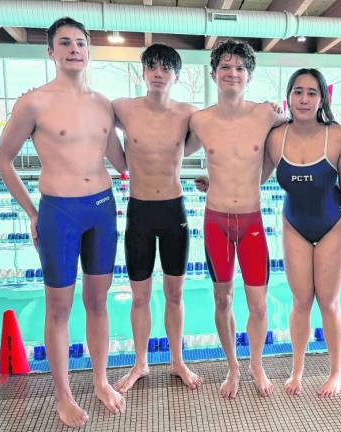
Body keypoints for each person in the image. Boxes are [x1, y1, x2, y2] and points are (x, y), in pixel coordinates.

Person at [0, 17, 127, 428]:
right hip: (60, 212)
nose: (74, 49)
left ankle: (102, 380)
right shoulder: (33, 102)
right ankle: (63, 395)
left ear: (90, 51)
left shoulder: (104, 103)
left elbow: (122, 161)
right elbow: (3, 160)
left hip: (102, 208)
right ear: (50, 51)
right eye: (65, 43)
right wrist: (33, 212)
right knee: (59, 307)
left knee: (99, 302)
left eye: (81, 43)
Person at [191, 40, 285, 398]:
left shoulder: (265, 114)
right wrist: (208, 180)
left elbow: (300, 133)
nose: (233, 73)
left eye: (240, 68)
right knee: (223, 300)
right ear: (214, 73)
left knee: (259, 303)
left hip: (252, 221)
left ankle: (256, 363)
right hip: (216, 220)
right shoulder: (199, 120)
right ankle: (232, 367)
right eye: (226, 67)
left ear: (249, 75)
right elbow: (166, 146)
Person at [261, 68, 341, 397]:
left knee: (329, 302)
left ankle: (337, 372)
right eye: (298, 92)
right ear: (288, 96)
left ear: (322, 99)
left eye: (312, 92)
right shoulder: (276, 137)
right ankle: (297, 368)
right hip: (294, 225)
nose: (304, 99)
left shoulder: (338, 136)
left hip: (333, 224)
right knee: (301, 301)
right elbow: (254, 176)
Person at [112, 43, 202, 393]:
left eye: (167, 67)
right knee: (139, 297)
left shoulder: (186, 114)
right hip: (139, 211)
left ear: (176, 75)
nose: (159, 73)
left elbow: (218, 133)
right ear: (143, 72)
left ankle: (177, 360)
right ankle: (140, 363)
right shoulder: (123, 108)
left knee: (175, 294)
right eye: (153, 66)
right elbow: (90, 116)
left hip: (173, 209)